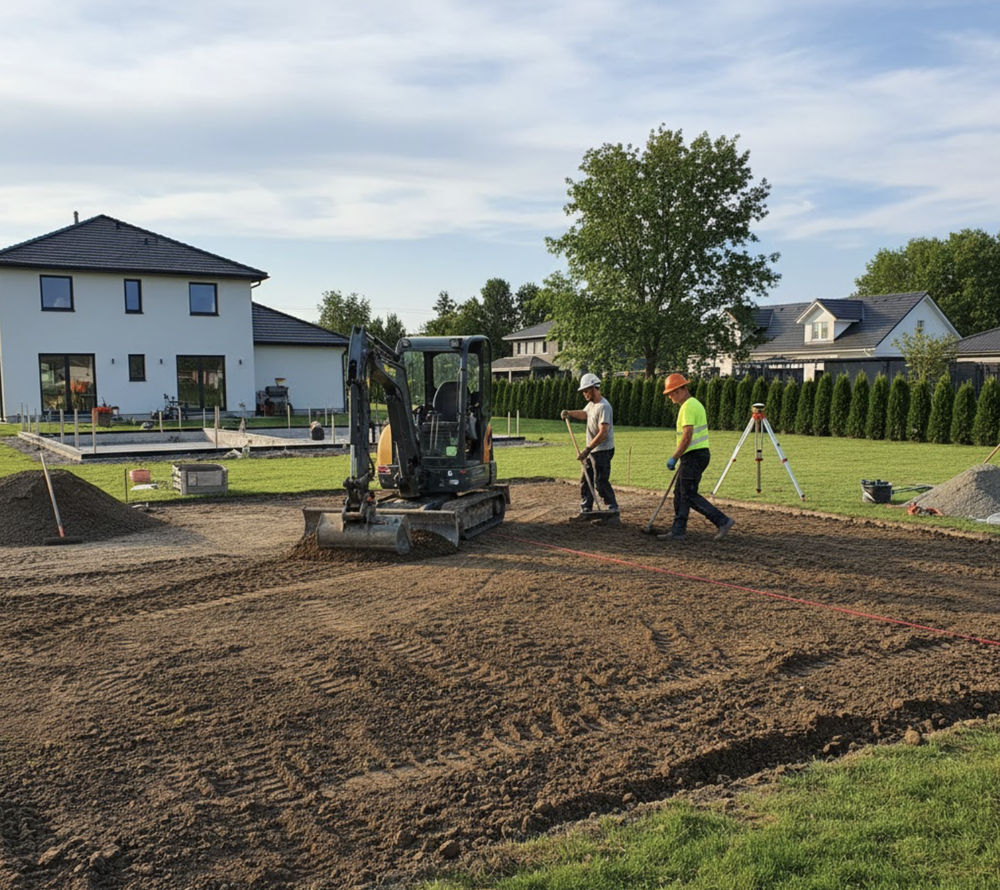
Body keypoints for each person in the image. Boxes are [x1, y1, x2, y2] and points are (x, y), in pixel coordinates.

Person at [661, 373, 735, 541]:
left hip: (693, 456)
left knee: (688, 494)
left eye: (671, 393)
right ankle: (678, 530)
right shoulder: (694, 404)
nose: (670, 397)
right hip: (695, 455)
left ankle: (722, 521)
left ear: (681, 390)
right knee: (680, 493)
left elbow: (687, 435)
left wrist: (675, 456)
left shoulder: (688, 407)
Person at [561, 373, 620, 520]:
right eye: (583, 391)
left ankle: (613, 510)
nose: (584, 394)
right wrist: (569, 413)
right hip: (592, 450)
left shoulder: (604, 407)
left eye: (586, 391)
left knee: (600, 481)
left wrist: (587, 449)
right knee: (586, 479)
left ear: (594, 388)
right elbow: (584, 414)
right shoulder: (591, 405)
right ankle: (586, 509)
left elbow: (603, 433)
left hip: (603, 450)